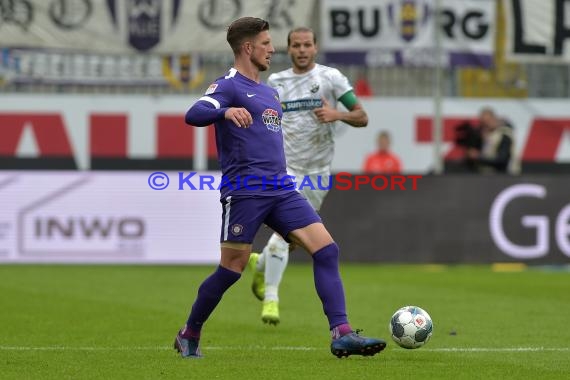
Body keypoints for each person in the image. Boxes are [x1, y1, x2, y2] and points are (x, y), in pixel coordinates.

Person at [174, 17, 386, 359]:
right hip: (245, 190)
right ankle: (190, 332)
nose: (273, 49)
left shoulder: (270, 91)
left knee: (327, 250)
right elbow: (195, 113)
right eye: (266, 43)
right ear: (248, 48)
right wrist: (225, 113)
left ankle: (342, 332)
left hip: (282, 187)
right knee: (231, 270)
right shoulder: (228, 85)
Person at [248, 26, 369, 326]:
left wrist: (337, 114)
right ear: (288, 50)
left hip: (317, 172)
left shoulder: (331, 78)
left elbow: (362, 116)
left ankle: (261, 264)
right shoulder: (276, 81)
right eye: (296, 46)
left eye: (307, 45)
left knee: (293, 239)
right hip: (284, 169)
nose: (301, 50)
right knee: (283, 234)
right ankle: (271, 299)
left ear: (316, 48)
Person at [465, 107, 515, 174]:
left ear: (493, 120)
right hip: (485, 174)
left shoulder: (504, 135)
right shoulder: (481, 135)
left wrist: (478, 157)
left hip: (503, 175)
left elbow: (502, 159)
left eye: (487, 122)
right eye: (482, 122)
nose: (484, 126)